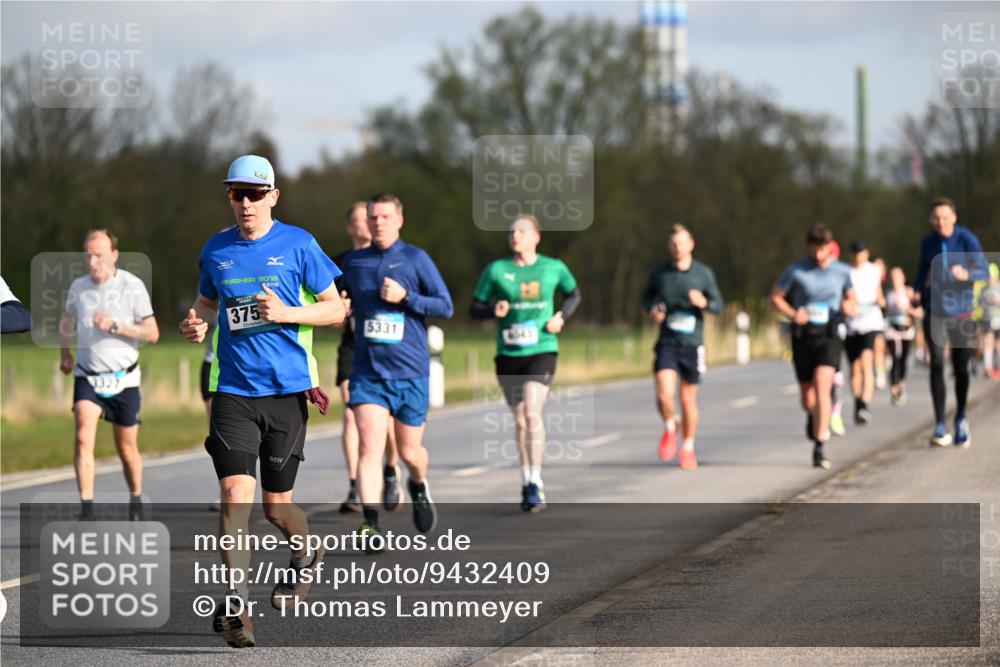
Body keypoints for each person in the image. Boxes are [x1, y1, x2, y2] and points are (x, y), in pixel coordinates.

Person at [179, 155, 345, 647]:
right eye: (236, 193)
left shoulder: (300, 244)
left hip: (287, 393)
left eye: (255, 193)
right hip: (232, 390)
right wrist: (195, 323)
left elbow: (336, 308)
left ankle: (305, 550)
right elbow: (207, 303)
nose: (245, 203)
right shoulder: (216, 250)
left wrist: (288, 310)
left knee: (277, 509)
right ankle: (236, 605)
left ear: (273, 196)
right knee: (234, 494)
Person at [341, 193, 453, 547]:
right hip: (368, 373)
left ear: (399, 220)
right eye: (373, 217)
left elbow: (445, 305)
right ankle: (371, 525)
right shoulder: (354, 262)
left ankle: (418, 483)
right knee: (370, 449)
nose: (379, 223)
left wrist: (407, 297)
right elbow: (334, 302)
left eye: (386, 217)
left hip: (410, 372)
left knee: (409, 454)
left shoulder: (416, 259)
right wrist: (339, 307)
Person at [470, 213, 581, 510]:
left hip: (542, 348)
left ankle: (536, 482)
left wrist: (561, 317)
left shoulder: (553, 267)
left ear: (536, 236)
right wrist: (494, 309)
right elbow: (474, 307)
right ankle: (525, 478)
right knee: (520, 420)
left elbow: (574, 293)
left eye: (522, 231)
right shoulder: (496, 270)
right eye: (511, 232)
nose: (515, 236)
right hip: (508, 354)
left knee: (532, 414)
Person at [58, 229, 159, 520]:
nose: (93, 262)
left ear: (114, 255)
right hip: (87, 375)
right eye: (88, 255)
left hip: (124, 378)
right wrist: (65, 353)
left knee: (126, 448)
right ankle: (86, 507)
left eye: (99, 255)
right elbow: (67, 319)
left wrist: (116, 326)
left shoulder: (132, 286)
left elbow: (151, 333)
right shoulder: (78, 287)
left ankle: (136, 497)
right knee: (82, 436)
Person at [334, 201, 401, 514]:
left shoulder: (390, 260)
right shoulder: (340, 264)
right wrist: (339, 312)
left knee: (385, 422)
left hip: (386, 350)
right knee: (350, 416)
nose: (368, 224)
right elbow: (329, 309)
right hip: (353, 346)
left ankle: (390, 468)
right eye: (361, 219)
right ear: (350, 227)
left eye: (372, 218)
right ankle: (355, 485)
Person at [770, 225, 856, 469]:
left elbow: (851, 298)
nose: (818, 256)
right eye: (814, 250)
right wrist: (792, 313)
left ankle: (819, 447)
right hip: (803, 336)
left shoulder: (842, 271)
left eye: (822, 250)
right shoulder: (795, 270)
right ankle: (813, 414)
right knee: (808, 397)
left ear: (829, 247)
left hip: (829, 335)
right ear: (808, 248)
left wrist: (849, 307)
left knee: (822, 385)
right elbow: (775, 297)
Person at [642, 224, 724, 470]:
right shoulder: (660, 273)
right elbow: (647, 298)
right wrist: (653, 311)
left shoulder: (703, 273)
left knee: (688, 400)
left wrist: (704, 302)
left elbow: (719, 305)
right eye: (674, 243)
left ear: (691, 244)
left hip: (692, 344)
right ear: (669, 246)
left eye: (682, 242)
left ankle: (687, 447)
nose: (678, 247)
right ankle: (670, 425)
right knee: (663, 394)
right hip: (667, 342)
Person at [913, 197, 988, 448]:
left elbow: (984, 269)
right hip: (935, 310)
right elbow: (922, 270)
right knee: (935, 362)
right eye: (936, 218)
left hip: (961, 312)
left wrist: (967, 274)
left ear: (954, 217)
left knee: (960, 368)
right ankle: (939, 424)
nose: (940, 222)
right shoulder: (928, 242)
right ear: (931, 220)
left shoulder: (966, 239)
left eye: (944, 217)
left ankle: (961, 417)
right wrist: (916, 290)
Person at [844, 241, 885, 425]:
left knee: (866, 361)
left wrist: (882, 302)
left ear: (866, 253)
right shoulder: (846, 272)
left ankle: (864, 404)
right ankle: (857, 400)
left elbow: (878, 293)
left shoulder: (874, 270)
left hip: (870, 321)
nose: (858, 256)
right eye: (855, 253)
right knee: (855, 367)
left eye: (861, 252)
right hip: (851, 323)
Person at [884, 267, 921, 406]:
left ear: (903, 278)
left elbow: (919, 312)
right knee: (895, 356)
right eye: (892, 277)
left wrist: (908, 309)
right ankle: (894, 388)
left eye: (897, 277)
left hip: (907, 329)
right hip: (892, 329)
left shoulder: (909, 292)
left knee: (903, 359)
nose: (895, 280)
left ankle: (901, 386)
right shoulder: (887, 294)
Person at [979, 263, 1000, 380]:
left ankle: (998, 367)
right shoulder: (984, 288)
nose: (989, 278)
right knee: (988, 342)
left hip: (998, 318)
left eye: (991, 276)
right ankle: (988, 367)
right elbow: (981, 302)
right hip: (987, 318)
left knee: (998, 344)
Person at [871, 256, 890, 390]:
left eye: (880, 267)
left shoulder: (888, 284)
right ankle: (879, 374)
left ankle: (886, 361)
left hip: (889, 319)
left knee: (883, 348)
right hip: (874, 320)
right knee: (876, 346)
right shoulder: (869, 282)